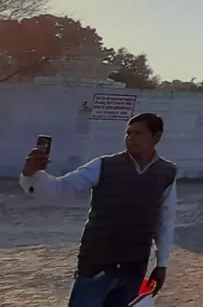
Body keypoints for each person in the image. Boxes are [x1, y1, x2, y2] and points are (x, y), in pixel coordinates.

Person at [20, 113, 176, 307]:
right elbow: (61, 189)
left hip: (134, 269)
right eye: (128, 133)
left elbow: (164, 220)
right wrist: (31, 174)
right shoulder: (103, 166)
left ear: (156, 137)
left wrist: (161, 264)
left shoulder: (167, 172)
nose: (131, 138)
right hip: (96, 268)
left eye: (138, 133)